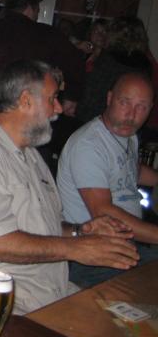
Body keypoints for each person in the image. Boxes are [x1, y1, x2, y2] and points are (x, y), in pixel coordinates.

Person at [0, 59, 138, 333]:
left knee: (132, 326)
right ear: (26, 100)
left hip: (48, 296)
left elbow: (36, 229)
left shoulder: (30, 156)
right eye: (52, 99)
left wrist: (80, 231)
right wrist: (77, 249)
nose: (59, 108)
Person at [58, 72, 158, 287]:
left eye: (141, 107)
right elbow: (103, 212)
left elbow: (132, 170)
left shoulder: (127, 135)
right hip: (91, 255)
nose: (131, 115)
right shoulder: (89, 145)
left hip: (125, 244)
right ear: (109, 98)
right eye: (125, 103)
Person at [0, 0, 85, 118]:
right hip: (22, 112)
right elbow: (75, 62)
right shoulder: (46, 35)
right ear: (30, 8)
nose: (37, 14)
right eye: (37, 10)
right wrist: (72, 96)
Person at [77, 16, 153, 123]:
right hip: (130, 120)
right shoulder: (145, 65)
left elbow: (91, 94)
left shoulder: (108, 59)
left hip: (100, 119)